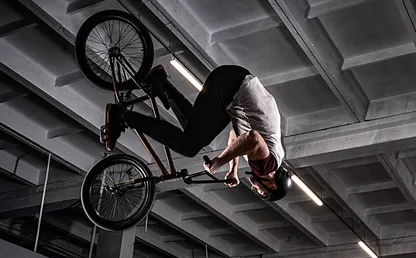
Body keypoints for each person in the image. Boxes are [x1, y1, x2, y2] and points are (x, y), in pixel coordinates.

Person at [103, 64, 292, 201]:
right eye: (261, 191)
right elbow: (252, 138)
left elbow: (238, 136)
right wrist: (219, 161)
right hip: (231, 86)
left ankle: (159, 81)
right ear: (272, 184)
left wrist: (232, 169)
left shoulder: (274, 156)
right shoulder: (265, 167)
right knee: (190, 146)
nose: (254, 187)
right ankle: (123, 116)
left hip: (233, 87)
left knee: (195, 135)